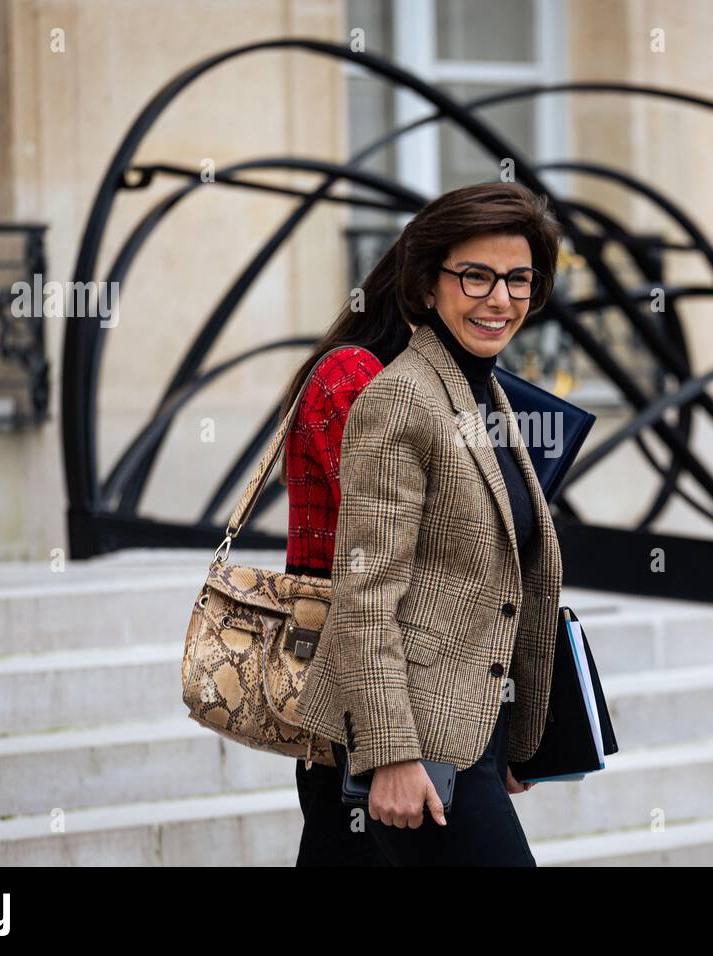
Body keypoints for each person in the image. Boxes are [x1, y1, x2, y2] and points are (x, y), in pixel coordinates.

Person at [289, 180, 564, 865]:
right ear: (426, 285)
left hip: (471, 729)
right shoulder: (400, 398)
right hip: (417, 743)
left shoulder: (489, 396)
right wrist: (391, 755)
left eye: (518, 279)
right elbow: (364, 592)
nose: (499, 299)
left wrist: (521, 735)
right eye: (476, 276)